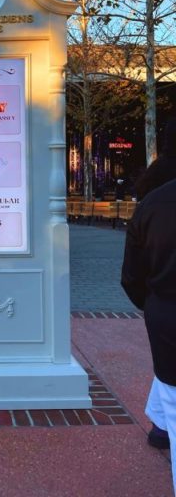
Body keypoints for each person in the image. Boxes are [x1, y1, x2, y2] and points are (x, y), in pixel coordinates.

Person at [124, 117, 176, 463]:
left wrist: (155, 305)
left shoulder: (153, 201)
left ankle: (161, 424)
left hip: (167, 315)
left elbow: (132, 278)